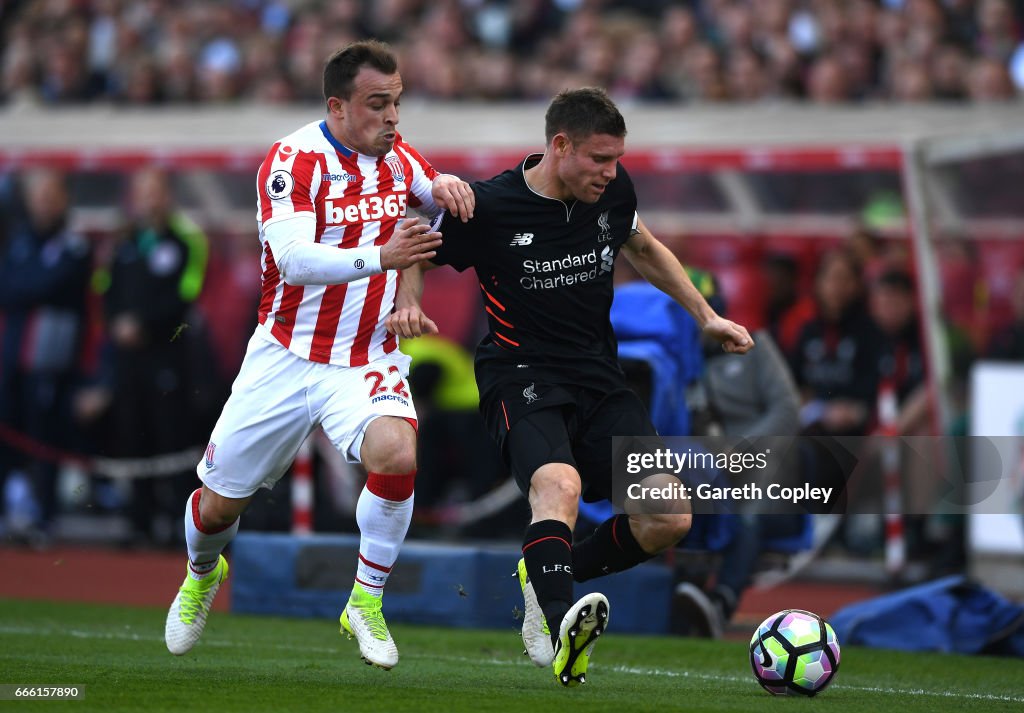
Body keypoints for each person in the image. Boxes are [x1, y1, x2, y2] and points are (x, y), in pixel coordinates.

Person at [388, 87, 752, 686]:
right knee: (560, 484)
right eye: (599, 159)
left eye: (617, 159)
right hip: (519, 374)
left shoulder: (611, 193)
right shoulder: (491, 205)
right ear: (560, 146)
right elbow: (414, 243)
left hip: (598, 379)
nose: (611, 173)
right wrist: (406, 303)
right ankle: (559, 628)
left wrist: (704, 315)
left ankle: (548, 576)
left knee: (668, 517)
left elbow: (643, 245)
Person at [163, 40, 475, 670]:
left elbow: (424, 215)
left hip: (366, 357)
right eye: (377, 104)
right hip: (285, 354)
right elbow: (295, 261)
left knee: (396, 452)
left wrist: (442, 189)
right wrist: (381, 259)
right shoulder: (291, 162)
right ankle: (201, 572)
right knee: (220, 506)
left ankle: (365, 600)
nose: (392, 117)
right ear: (337, 106)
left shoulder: (399, 158)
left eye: (397, 103)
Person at [102, 167, 213, 546]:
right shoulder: (126, 240)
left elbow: (188, 292)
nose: (148, 199)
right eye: (142, 191)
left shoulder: (186, 239)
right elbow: (106, 287)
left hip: (168, 355)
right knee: (132, 436)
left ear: (168, 195)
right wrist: (117, 322)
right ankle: (139, 523)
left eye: (155, 191)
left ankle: (176, 527)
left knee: (172, 438)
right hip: (129, 358)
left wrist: (143, 325)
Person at [0, 168, 93, 545]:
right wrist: (30, 285)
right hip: (14, 355)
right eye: (39, 194)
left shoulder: (74, 245)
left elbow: (53, 283)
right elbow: (9, 287)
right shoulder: (19, 241)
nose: (44, 202)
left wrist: (28, 285)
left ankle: (44, 516)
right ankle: (10, 511)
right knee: (9, 433)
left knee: (45, 436)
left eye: (51, 194)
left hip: (53, 359)